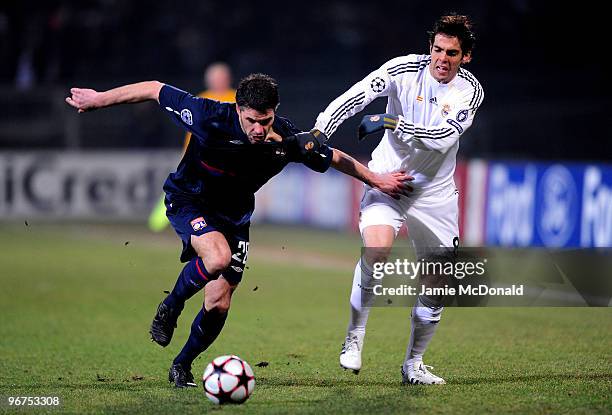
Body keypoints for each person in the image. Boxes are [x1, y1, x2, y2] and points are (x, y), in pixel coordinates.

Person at [66, 73, 413, 387]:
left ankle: (182, 365)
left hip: (234, 218)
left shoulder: (288, 139)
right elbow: (154, 89)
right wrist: (99, 99)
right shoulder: (208, 116)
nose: (258, 129)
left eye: (265, 120)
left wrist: (376, 179)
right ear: (238, 109)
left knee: (218, 302)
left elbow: (333, 156)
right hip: (189, 200)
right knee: (217, 258)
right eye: (251, 121)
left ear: (274, 111)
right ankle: (170, 306)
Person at [311, 14, 484, 385]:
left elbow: (441, 138)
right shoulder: (404, 69)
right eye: (437, 49)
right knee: (376, 250)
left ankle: (413, 365)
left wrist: (393, 124)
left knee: (437, 285)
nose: (442, 58)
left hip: (435, 194)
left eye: (452, 53)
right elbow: (358, 95)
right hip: (388, 180)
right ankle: (354, 338)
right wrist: (320, 128)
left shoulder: (469, 91)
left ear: (465, 57)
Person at [148, 62, 236, 232]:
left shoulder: (236, 98)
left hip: (225, 159)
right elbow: (191, 129)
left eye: (220, 78)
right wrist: (187, 152)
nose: (216, 81)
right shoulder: (201, 98)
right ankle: (159, 221)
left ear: (228, 79)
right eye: (214, 78)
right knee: (181, 187)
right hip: (197, 155)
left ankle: (208, 224)